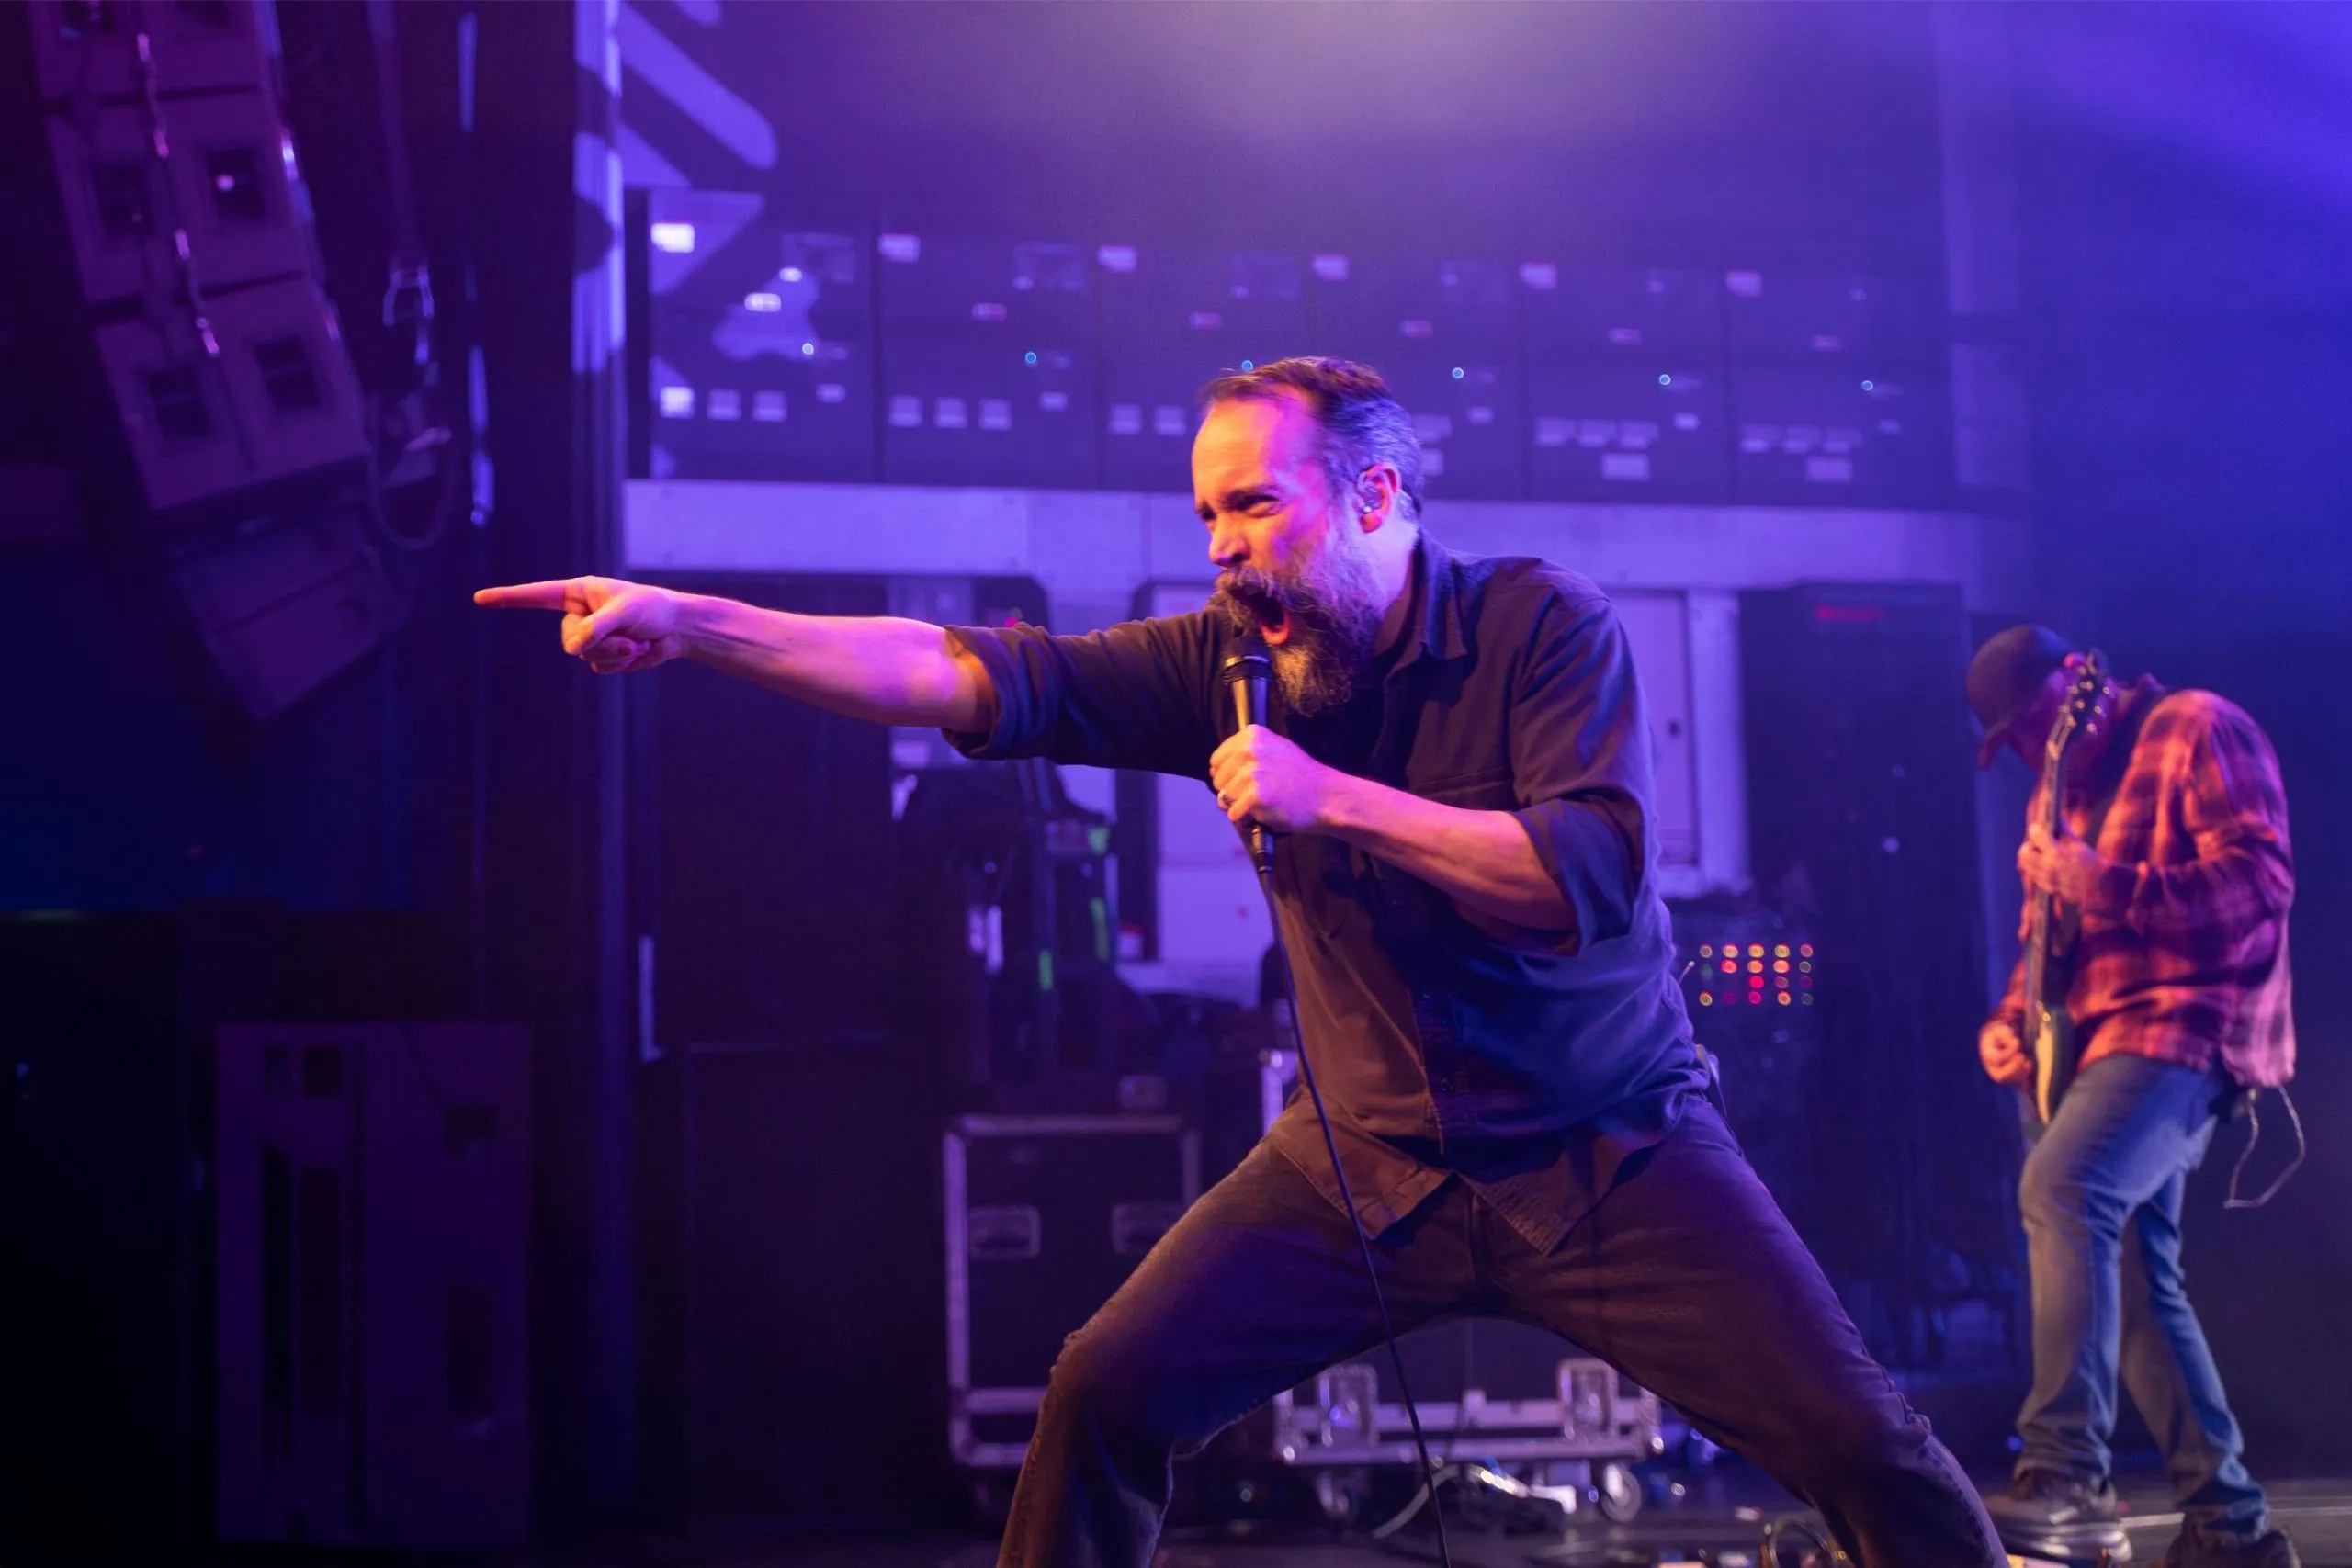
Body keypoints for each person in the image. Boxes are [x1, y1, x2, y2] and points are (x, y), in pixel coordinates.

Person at [481, 358, 2004, 1567]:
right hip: (1362, 1168)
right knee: (1104, 1389)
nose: (1220, 548)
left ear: (1376, 495)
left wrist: (1332, 796)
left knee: (1861, 1445)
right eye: (1208, 514)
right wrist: (694, 622)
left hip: (1606, 1150)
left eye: (1255, 508)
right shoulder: (1225, 658)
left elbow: (1584, 882)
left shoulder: (1545, 629)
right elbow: (955, 670)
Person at [1967, 625, 2300, 1568]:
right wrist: (2009, 1022)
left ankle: (2064, 1470)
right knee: (2139, 1286)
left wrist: (2103, 881)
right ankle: (2230, 1527)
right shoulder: (2054, 794)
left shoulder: (2196, 727)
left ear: (2078, 681)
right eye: (2010, 741)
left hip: (2185, 1030)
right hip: (2088, 1047)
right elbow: (2044, 939)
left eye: (2031, 723)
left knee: (2060, 1188)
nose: (2028, 748)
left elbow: (2262, 883)